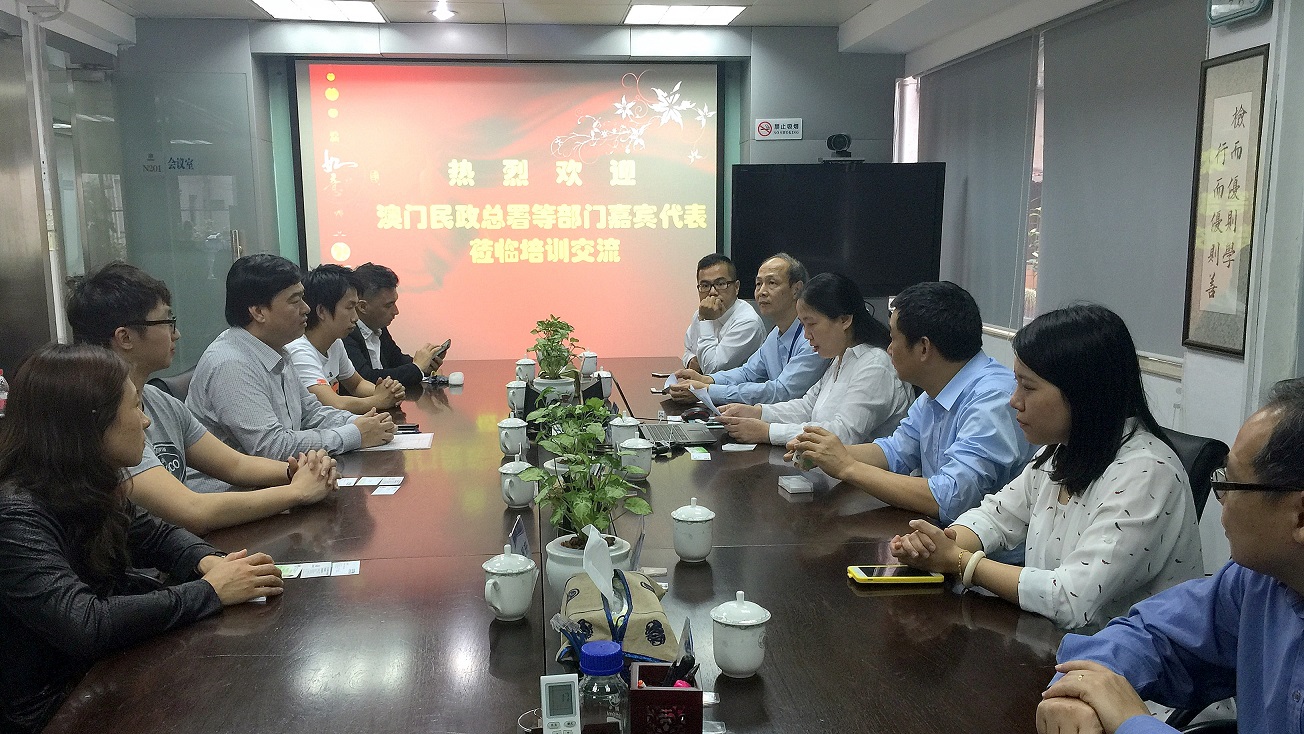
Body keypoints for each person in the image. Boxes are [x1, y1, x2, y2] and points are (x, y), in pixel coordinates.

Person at [0, 344, 284, 734]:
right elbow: (85, 623)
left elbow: (156, 535)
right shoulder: (16, 514)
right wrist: (210, 591)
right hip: (53, 709)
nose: (146, 422)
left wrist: (207, 562)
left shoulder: (86, 483)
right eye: (135, 407)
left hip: (102, 674)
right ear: (91, 424)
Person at [888, 304, 1202, 629]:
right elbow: (995, 516)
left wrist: (960, 561)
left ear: (1082, 392)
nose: (1014, 400)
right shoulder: (1062, 452)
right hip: (1054, 643)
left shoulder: (1147, 473)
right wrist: (939, 544)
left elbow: (1071, 599)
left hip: (1126, 657)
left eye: (1028, 387)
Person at [1036, 377, 1304, 734]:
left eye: (1229, 483)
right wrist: (1080, 688)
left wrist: (1132, 724)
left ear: (1300, 516)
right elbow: (1153, 634)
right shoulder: (1256, 580)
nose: (1221, 499)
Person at [67, 261, 338, 530]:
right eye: (167, 322)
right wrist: (297, 491)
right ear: (125, 338)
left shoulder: (160, 402)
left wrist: (300, 470)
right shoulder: (101, 415)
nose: (177, 334)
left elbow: (236, 465)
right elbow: (191, 510)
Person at [787, 281, 1036, 538]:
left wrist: (847, 467)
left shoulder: (993, 398)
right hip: (937, 540)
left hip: (984, 555)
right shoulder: (936, 390)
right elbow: (896, 451)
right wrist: (825, 453)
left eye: (894, 338)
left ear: (924, 348)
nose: (889, 349)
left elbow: (952, 497)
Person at [187, 254, 395, 462]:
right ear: (258, 311)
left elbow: (310, 413)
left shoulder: (277, 349)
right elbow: (271, 447)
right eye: (295, 301)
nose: (306, 309)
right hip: (238, 483)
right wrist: (354, 434)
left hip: (285, 475)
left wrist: (363, 423)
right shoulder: (232, 364)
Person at [716, 272, 911, 448]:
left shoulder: (875, 365)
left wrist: (767, 432)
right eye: (803, 325)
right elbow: (807, 406)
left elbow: (843, 434)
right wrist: (758, 412)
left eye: (811, 324)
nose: (806, 335)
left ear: (844, 320)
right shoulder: (840, 358)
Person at [668, 252, 828, 406]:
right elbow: (747, 373)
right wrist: (708, 380)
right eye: (758, 284)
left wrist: (708, 390)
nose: (762, 292)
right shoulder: (775, 334)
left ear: (796, 289)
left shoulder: (812, 339)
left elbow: (782, 391)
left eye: (772, 283)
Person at [287, 263, 406, 415]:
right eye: (350, 308)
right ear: (322, 311)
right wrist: (379, 400)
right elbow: (334, 404)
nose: (355, 317)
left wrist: (388, 392)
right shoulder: (299, 351)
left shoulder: (335, 343)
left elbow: (357, 384)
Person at [344, 262, 446, 388]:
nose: (396, 311)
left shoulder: (378, 327)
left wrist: (426, 365)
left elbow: (397, 361)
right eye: (389, 305)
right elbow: (366, 378)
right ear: (363, 307)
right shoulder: (346, 333)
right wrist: (417, 368)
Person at [681, 253, 766, 373]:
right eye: (705, 285)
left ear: (736, 287)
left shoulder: (748, 322)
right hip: (702, 384)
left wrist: (706, 321)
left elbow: (712, 369)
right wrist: (690, 360)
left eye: (720, 284)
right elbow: (688, 350)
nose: (712, 292)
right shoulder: (700, 314)